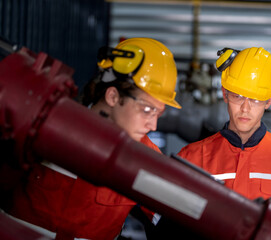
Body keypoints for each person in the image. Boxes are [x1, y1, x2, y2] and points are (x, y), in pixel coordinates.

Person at [0, 37, 181, 240]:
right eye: (147, 109)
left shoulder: (148, 160)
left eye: (159, 113)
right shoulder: (48, 123)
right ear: (113, 96)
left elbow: (174, 224)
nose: (153, 125)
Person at [177, 47, 271, 213]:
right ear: (225, 93)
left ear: (268, 101)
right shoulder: (191, 157)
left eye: (255, 100)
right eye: (238, 96)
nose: (245, 108)